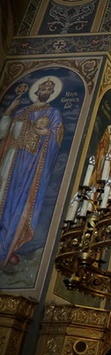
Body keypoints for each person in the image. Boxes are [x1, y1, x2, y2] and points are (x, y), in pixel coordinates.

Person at [0, 78, 64, 265]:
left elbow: (56, 138)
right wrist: (9, 111)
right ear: (37, 90)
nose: (46, 89)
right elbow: (3, 134)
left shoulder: (54, 113)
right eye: (43, 86)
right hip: (10, 159)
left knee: (19, 204)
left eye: (50, 88)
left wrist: (47, 134)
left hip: (30, 167)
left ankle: (7, 247)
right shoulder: (22, 111)